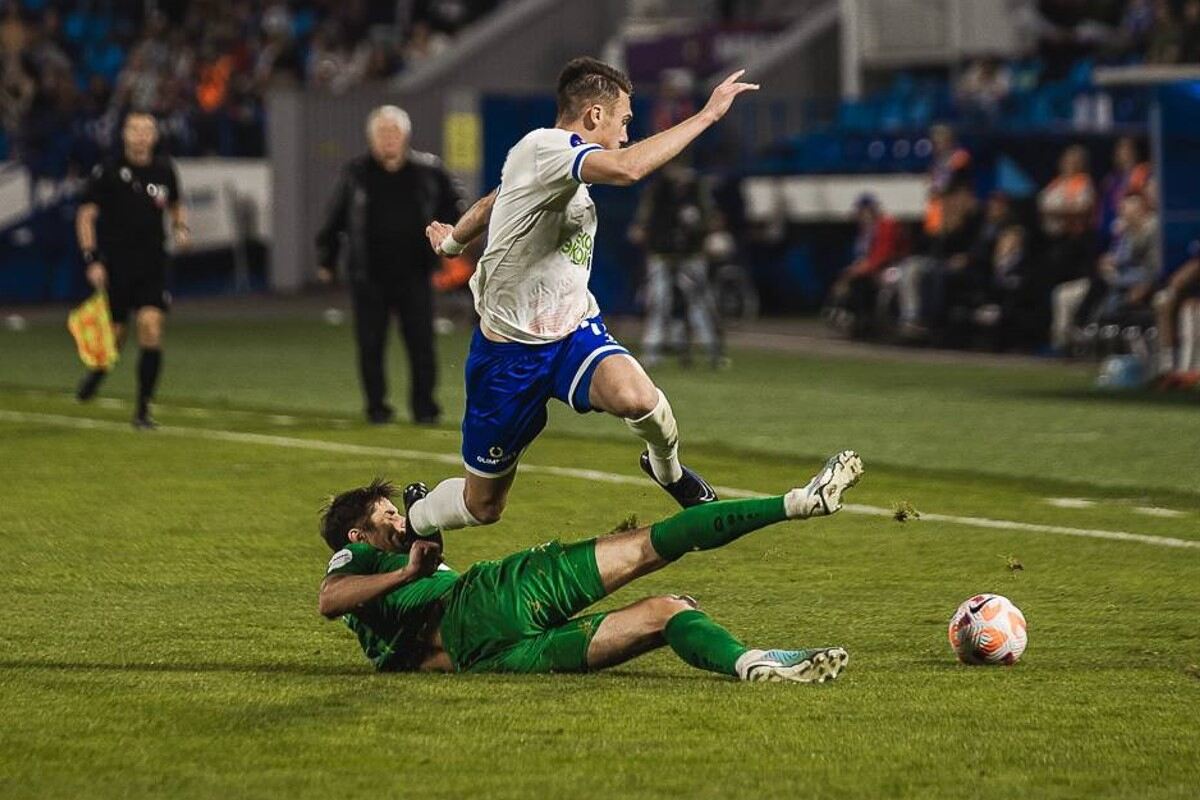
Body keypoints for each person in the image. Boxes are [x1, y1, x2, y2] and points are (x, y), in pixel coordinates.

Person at [413, 58, 759, 535]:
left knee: (638, 398)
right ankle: (418, 517)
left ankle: (669, 471)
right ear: (594, 116)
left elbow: (493, 201)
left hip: (573, 332)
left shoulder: (547, 163)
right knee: (483, 506)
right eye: (624, 122)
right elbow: (629, 168)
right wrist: (707, 116)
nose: (625, 135)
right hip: (507, 355)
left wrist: (452, 242)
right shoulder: (547, 147)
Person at [317, 451, 864, 678]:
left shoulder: (378, 622)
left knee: (667, 613)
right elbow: (329, 598)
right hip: (486, 603)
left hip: (491, 662)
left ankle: (751, 664)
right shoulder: (362, 560)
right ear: (355, 534)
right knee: (647, 545)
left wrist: (419, 554)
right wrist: (409, 571)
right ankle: (799, 501)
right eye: (387, 516)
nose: (398, 522)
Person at [316, 105, 465, 425]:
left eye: (394, 132)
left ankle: (425, 409)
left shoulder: (429, 170)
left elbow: (456, 208)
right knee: (371, 344)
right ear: (371, 138)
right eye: (382, 133)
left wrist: (453, 238)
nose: (389, 139)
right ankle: (376, 408)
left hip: (415, 271)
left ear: (406, 136)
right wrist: (326, 258)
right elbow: (336, 217)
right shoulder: (356, 173)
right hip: (368, 274)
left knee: (422, 344)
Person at [75, 111, 188, 429]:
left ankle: (143, 410)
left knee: (151, 328)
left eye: (147, 129)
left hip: (152, 263)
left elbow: (177, 205)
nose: (140, 135)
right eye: (134, 129)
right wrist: (91, 259)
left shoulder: (165, 170)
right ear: (124, 134)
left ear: (155, 135)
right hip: (117, 265)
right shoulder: (108, 172)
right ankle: (98, 372)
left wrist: (181, 228)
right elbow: (86, 216)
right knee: (116, 336)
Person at [627, 158, 723, 367]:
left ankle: (712, 350)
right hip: (661, 254)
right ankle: (652, 351)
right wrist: (644, 230)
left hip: (691, 254)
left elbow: (712, 219)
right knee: (659, 302)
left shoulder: (697, 189)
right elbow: (642, 224)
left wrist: (705, 234)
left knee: (699, 302)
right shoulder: (657, 190)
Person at [824, 194, 908, 337]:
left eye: (863, 211)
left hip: (895, 268)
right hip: (878, 268)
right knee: (852, 279)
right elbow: (864, 258)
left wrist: (860, 270)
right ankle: (851, 318)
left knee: (859, 280)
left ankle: (865, 322)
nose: (860, 215)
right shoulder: (866, 231)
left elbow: (884, 255)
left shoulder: (886, 225)